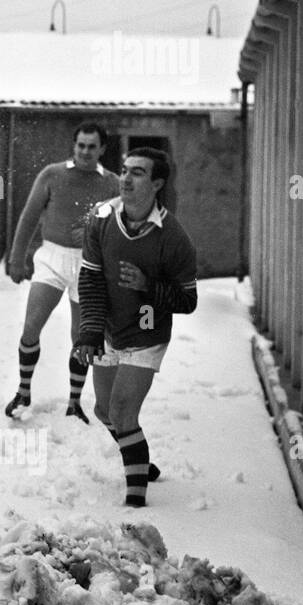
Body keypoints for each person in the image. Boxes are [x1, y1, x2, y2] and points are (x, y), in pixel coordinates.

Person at [73, 147, 198, 507]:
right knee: (104, 411)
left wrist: (148, 286)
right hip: (110, 329)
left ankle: (136, 504)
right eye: (124, 170)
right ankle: (139, 460)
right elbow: (91, 280)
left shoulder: (174, 238)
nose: (125, 178)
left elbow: (188, 301)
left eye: (138, 173)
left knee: (125, 414)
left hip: (147, 334)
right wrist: (91, 332)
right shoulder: (101, 217)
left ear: (157, 183)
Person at [4, 121, 120, 422]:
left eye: (91, 146)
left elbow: (120, 228)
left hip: (89, 264)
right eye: (80, 145)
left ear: (102, 149)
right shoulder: (53, 174)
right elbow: (29, 216)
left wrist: (96, 233)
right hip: (52, 258)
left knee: (82, 337)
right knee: (31, 326)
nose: (85, 151)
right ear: (74, 145)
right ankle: (23, 390)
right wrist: (17, 258)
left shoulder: (112, 183)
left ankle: (74, 401)